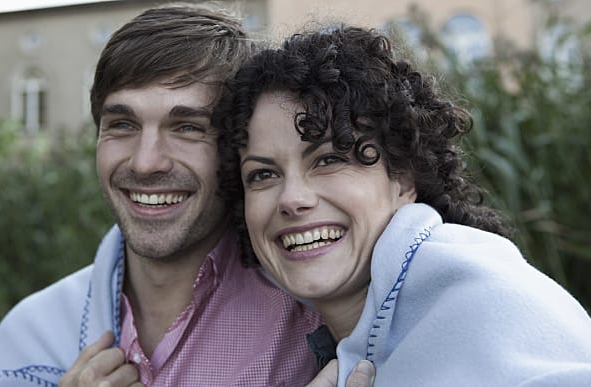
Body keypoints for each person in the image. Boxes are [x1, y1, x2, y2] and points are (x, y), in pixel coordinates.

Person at [0, 5, 327, 386]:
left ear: (238, 149)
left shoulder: (314, 318)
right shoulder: (37, 332)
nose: (145, 163)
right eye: (122, 124)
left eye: (187, 128)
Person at [214, 25, 591, 386]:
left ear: (404, 178)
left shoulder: (482, 295)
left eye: (328, 160)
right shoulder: (313, 332)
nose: (292, 199)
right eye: (262, 175)